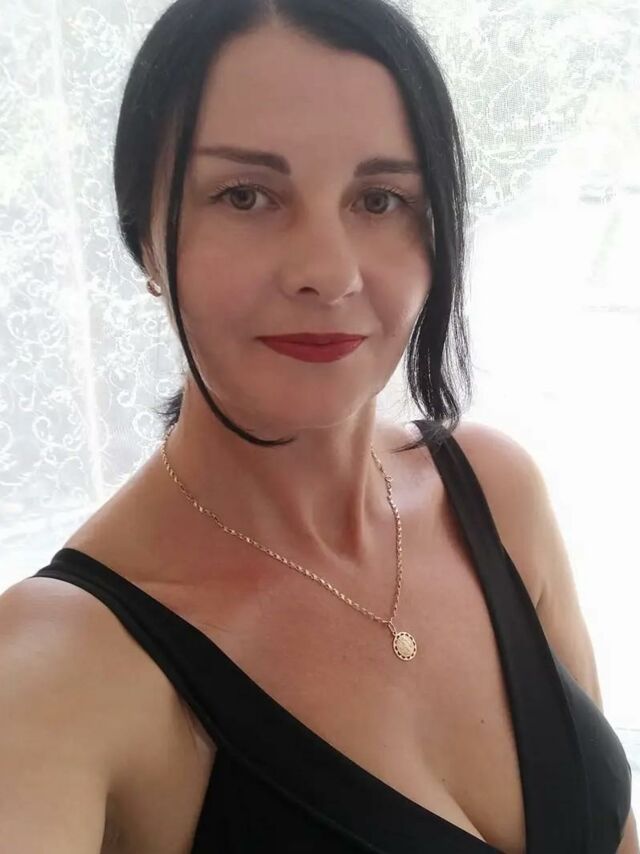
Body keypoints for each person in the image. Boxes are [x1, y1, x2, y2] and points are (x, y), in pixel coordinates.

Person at [1, 0, 636, 851]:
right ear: (145, 238)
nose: (327, 272)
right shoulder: (61, 663)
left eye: (380, 198)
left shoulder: (494, 491)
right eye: (245, 195)